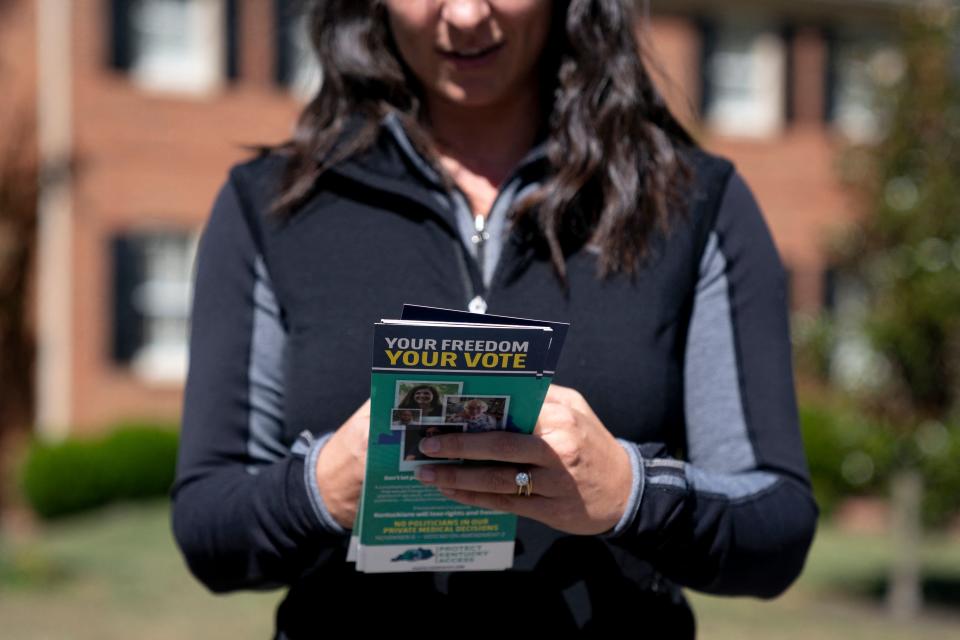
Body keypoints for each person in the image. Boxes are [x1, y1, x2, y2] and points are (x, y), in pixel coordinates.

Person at [172, 0, 818, 636]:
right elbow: (210, 531)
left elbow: (775, 529)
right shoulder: (272, 203)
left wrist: (632, 494)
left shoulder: (691, 201)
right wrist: (324, 487)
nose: (465, 16)